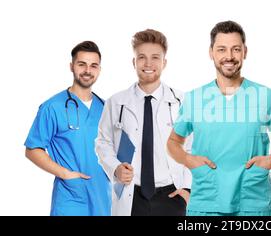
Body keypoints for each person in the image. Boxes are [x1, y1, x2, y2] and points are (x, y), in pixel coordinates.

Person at [166, 20, 271, 216]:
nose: (229, 56)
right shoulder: (194, 99)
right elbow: (174, 142)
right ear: (211, 53)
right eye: (222, 49)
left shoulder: (265, 97)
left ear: (245, 52)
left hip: (252, 201)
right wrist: (188, 159)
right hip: (207, 202)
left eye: (236, 49)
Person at [95, 29, 192, 216]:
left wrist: (187, 189)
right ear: (134, 62)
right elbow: (103, 143)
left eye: (155, 57)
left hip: (172, 196)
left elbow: (193, 148)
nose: (148, 63)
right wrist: (115, 168)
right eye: (142, 57)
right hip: (132, 196)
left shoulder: (181, 102)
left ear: (164, 62)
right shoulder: (116, 102)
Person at [24, 41, 111, 216]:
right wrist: (65, 173)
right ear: (71, 66)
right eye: (82, 64)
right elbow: (32, 149)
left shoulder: (107, 108)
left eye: (93, 66)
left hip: (104, 198)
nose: (88, 70)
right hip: (71, 198)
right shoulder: (53, 107)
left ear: (99, 70)